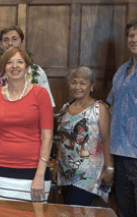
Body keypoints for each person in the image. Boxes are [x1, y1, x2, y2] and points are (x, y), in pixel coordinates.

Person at [0, 47, 53, 202]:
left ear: (26, 67)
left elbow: (48, 138)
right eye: (10, 62)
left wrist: (40, 174)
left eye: (20, 62)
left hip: (33, 172)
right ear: (3, 68)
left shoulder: (41, 94)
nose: (15, 66)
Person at [52, 66, 113, 206]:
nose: (77, 87)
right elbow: (62, 139)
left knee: (76, 210)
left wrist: (110, 168)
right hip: (66, 174)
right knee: (69, 212)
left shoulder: (99, 108)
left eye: (82, 83)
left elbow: (107, 140)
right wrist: (56, 165)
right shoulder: (66, 107)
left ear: (91, 86)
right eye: (74, 82)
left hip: (88, 177)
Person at [0, 26, 55, 125]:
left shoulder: (37, 72)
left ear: (21, 42)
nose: (10, 43)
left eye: (14, 39)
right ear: (1, 44)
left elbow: (48, 108)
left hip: (30, 131)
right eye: (6, 40)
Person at [107, 19, 137, 216]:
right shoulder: (121, 71)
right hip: (119, 152)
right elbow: (111, 106)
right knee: (124, 210)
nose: (134, 39)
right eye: (131, 35)